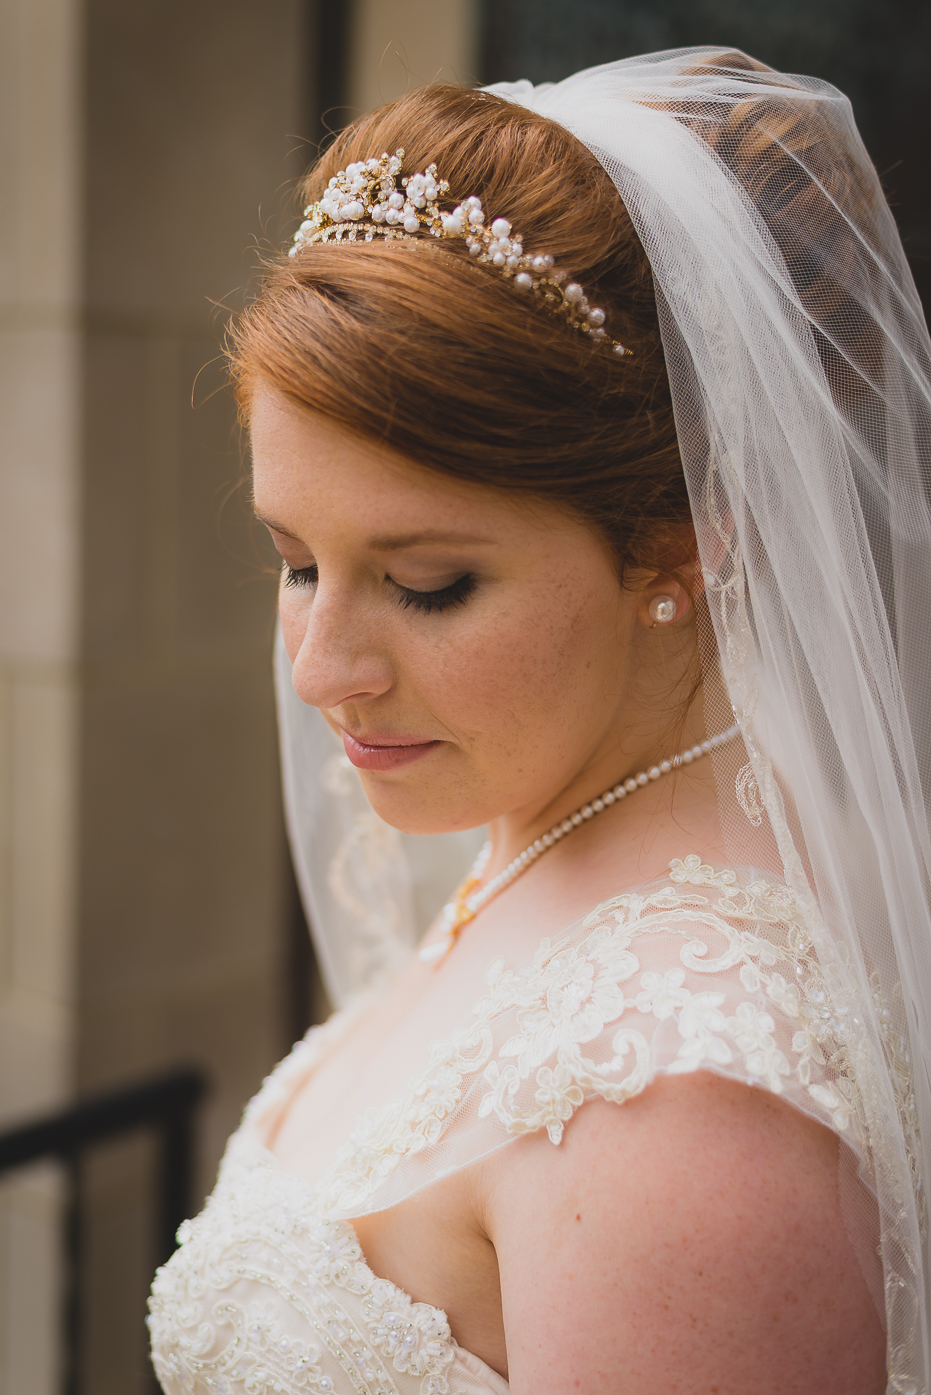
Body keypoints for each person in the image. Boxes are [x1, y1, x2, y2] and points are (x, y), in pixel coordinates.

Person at [148, 47, 931, 1395]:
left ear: (679, 556)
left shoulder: (688, 1105)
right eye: (293, 561)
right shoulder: (532, 826)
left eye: (429, 584)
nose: (322, 668)